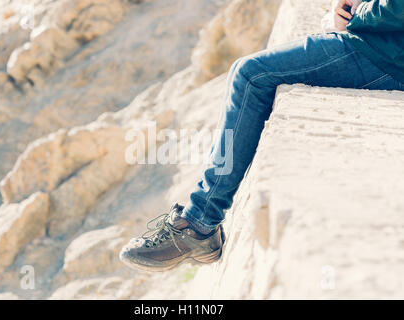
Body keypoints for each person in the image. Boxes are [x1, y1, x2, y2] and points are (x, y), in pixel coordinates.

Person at [119, 0, 404, 272]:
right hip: (383, 44)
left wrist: (357, 14)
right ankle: (199, 222)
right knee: (249, 72)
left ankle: (199, 223)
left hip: (386, 54)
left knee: (250, 75)